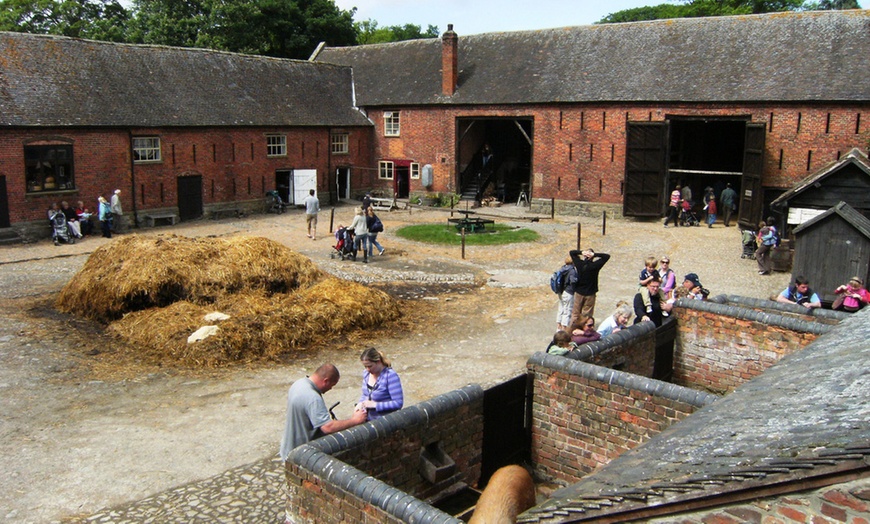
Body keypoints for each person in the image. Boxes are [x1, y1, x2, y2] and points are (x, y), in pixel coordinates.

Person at [279, 364, 367, 461]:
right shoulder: (313, 397)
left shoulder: (299, 383)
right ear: (326, 381)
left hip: (288, 448)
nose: (330, 389)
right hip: (299, 454)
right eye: (331, 385)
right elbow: (328, 427)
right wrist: (355, 420)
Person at [356, 347, 404, 420]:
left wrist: (375, 405)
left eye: (370, 366)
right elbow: (365, 394)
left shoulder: (390, 376)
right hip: (368, 419)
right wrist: (360, 403)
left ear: (378, 362)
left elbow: (398, 403)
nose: (368, 369)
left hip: (385, 421)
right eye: (365, 366)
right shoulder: (366, 374)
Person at [569, 248, 610, 327]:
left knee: (575, 314)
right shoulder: (595, 266)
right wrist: (594, 254)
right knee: (586, 314)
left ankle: (572, 329)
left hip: (579, 292)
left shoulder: (579, 264)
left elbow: (572, 253)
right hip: (590, 293)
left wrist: (582, 252)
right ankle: (584, 329)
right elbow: (606, 256)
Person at [555, 255, 578, 331]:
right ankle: (564, 328)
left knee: (561, 308)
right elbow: (573, 281)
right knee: (567, 310)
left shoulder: (563, 268)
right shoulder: (571, 270)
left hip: (561, 291)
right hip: (568, 292)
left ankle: (558, 326)